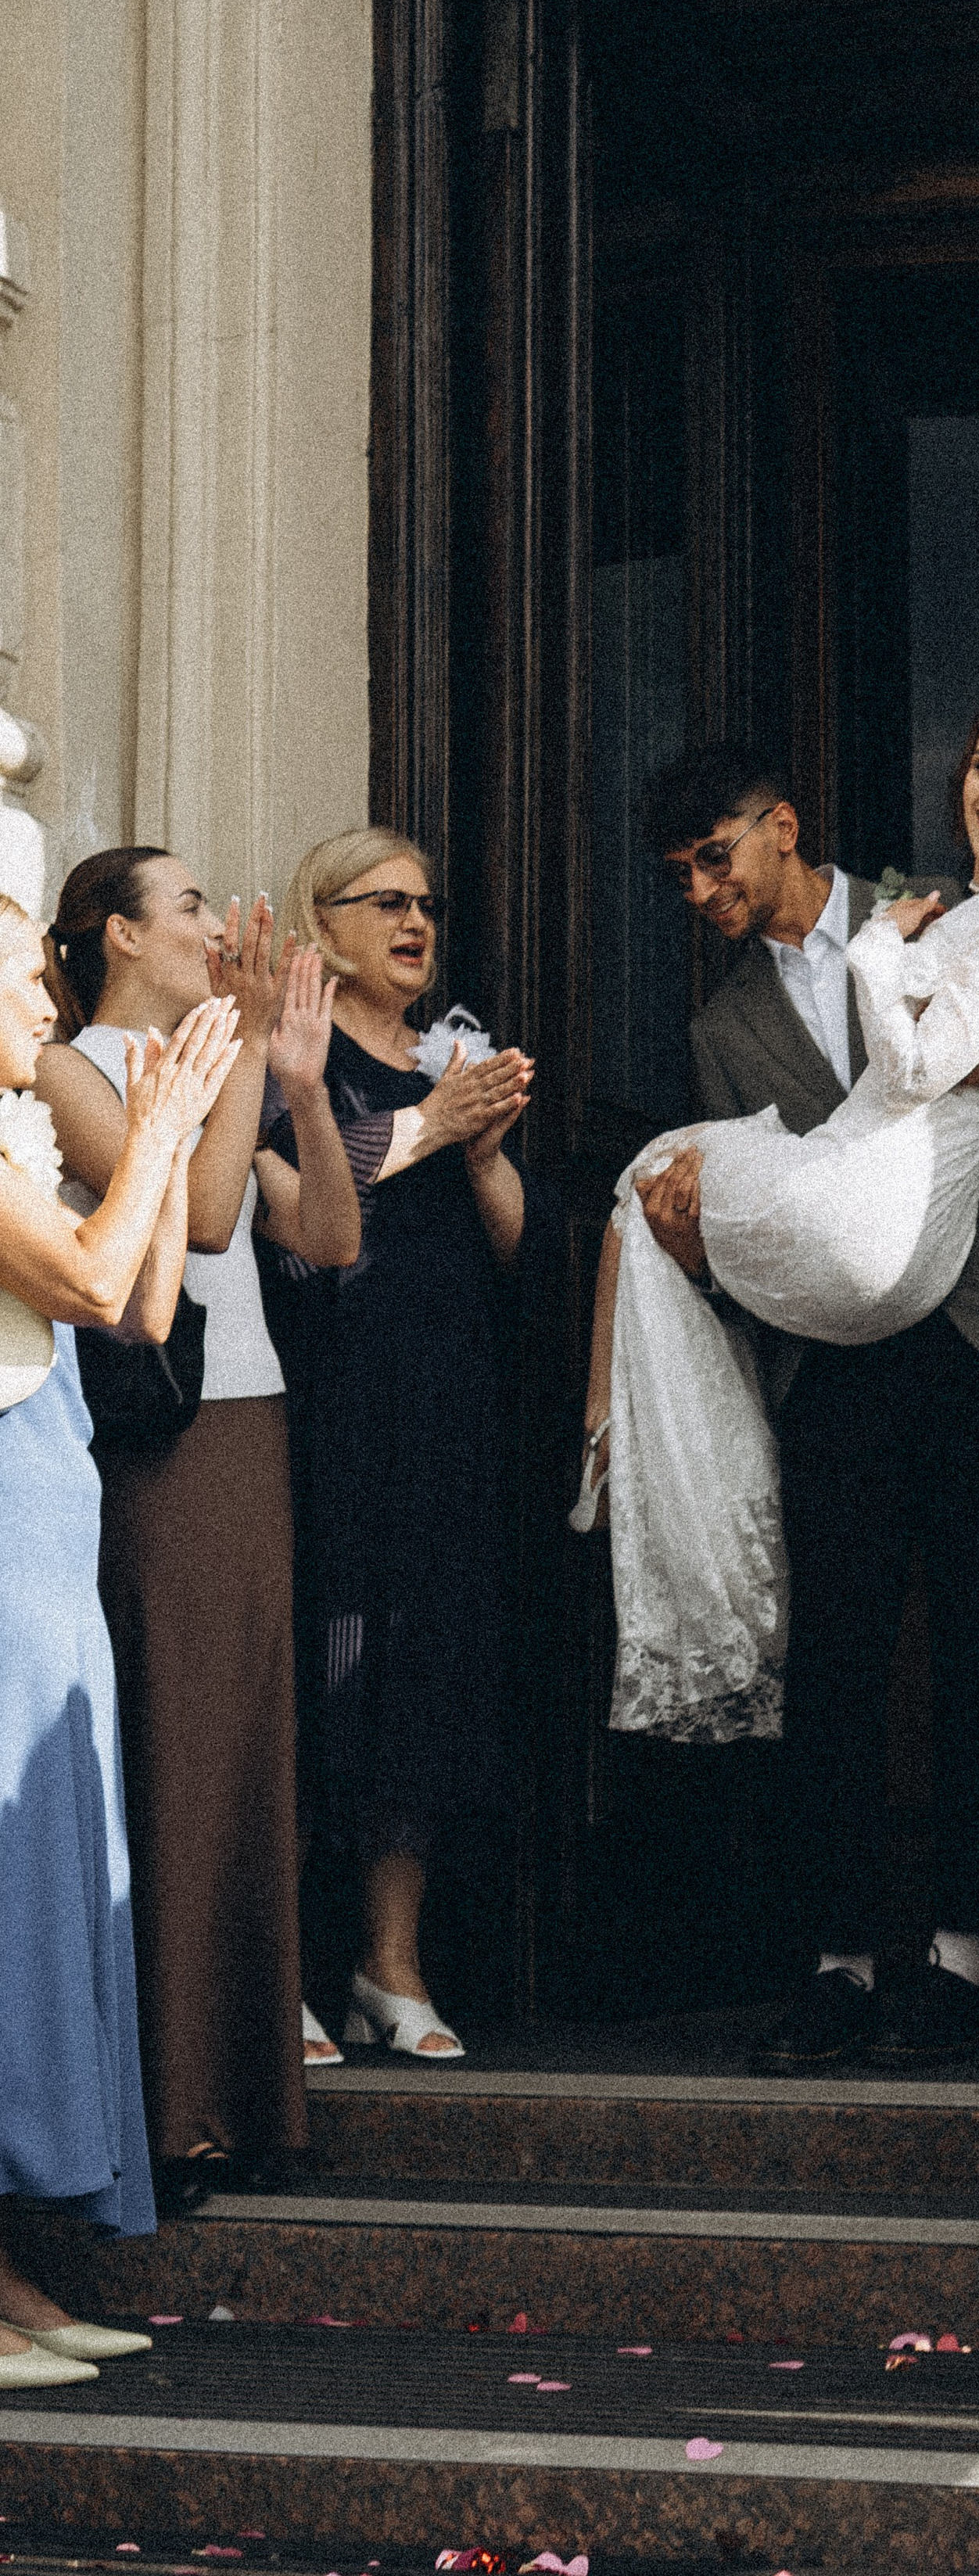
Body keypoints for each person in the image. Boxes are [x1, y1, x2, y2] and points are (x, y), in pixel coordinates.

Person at [616, 705, 979, 2065]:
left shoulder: (951, 906)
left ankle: (963, 1955)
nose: (701, 893)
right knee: (828, 1664)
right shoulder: (722, 1028)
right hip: (837, 1370)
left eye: (715, 859)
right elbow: (764, 1219)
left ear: (782, 829)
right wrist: (699, 1262)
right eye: (680, 878)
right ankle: (833, 1963)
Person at [36, 853, 360, 2204]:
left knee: (247, 1757)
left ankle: (244, 2096)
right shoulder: (71, 1069)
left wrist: (301, 1087)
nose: (219, 926)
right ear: (118, 935)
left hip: (251, 1422)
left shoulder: (214, 1070)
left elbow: (328, 1238)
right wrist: (239, 1058)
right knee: (174, 1750)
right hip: (156, 1440)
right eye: (186, 907)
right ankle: (170, 2114)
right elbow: (206, 1215)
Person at [0, 894, 238, 2383]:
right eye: (20, 973)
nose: (48, 999)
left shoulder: (20, 1137)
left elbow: (141, 1308)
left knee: (50, 1880)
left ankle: (13, 2274)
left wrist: (177, 1126)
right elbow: (86, 1276)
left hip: (50, 1533)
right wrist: (151, 1132)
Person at [262, 831, 535, 2061]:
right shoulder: (295, 1051)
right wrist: (430, 1122)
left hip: (447, 1397)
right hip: (332, 1395)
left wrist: (482, 1152)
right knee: (324, 1672)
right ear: (325, 921)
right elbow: (289, 1199)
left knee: (427, 1675)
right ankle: (286, 1970)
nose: (417, 923)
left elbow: (511, 1242)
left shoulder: (450, 1053)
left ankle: (392, 1964)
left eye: (427, 904)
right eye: (387, 903)